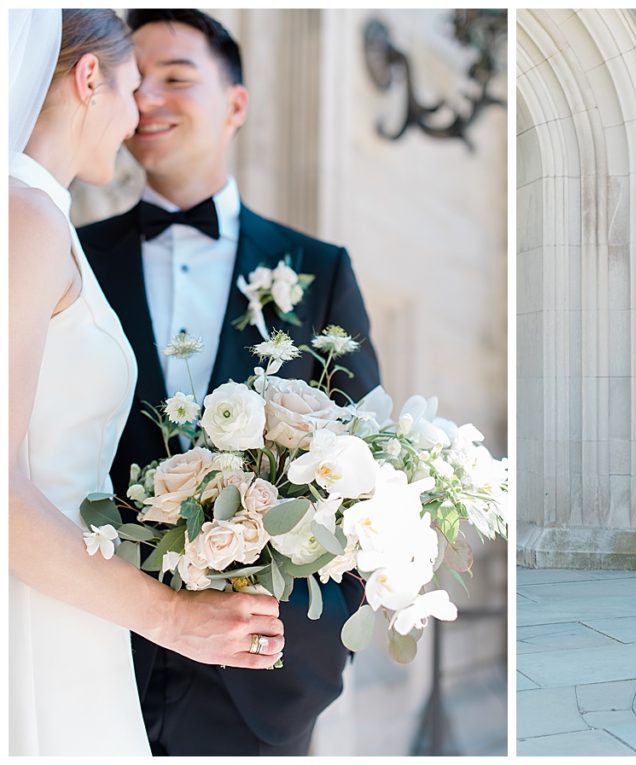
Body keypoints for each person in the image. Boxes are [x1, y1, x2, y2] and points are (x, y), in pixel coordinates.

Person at [77, 9, 381, 756]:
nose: (147, 98)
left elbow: (373, 461)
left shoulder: (319, 268)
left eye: (175, 78)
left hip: (265, 675)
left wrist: (324, 647)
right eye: (132, 80)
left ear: (236, 104)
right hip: (94, 653)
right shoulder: (68, 259)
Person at [9, 9, 283, 756]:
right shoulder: (22, 216)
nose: (136, 117)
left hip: (79, 605)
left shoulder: (38, 217)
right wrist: (170, 617)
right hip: (40, 606)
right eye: (132, 87)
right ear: (90, 78)